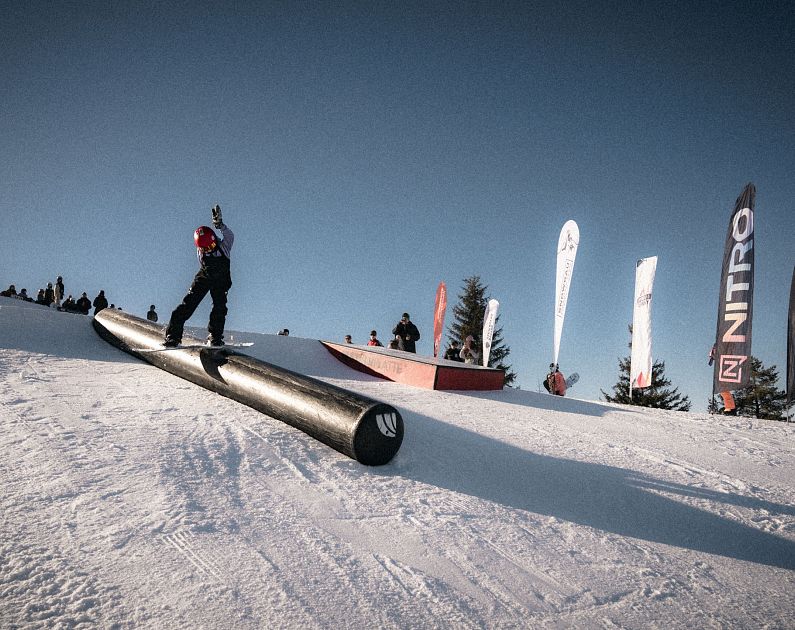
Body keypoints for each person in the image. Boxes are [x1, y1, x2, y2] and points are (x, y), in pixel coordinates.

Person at [164, 205, 234, 347]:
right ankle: (173, 336)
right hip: (205, 276)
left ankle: (215, 337)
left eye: (211, 246)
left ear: (215, 239)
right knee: (188, 303)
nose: (209, 250)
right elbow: (203, 264)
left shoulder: (224, 246)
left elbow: (230, 235)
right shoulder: (201, 252)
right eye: (205, 248)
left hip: (221, 279)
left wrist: (220, 225)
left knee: (220, 307)